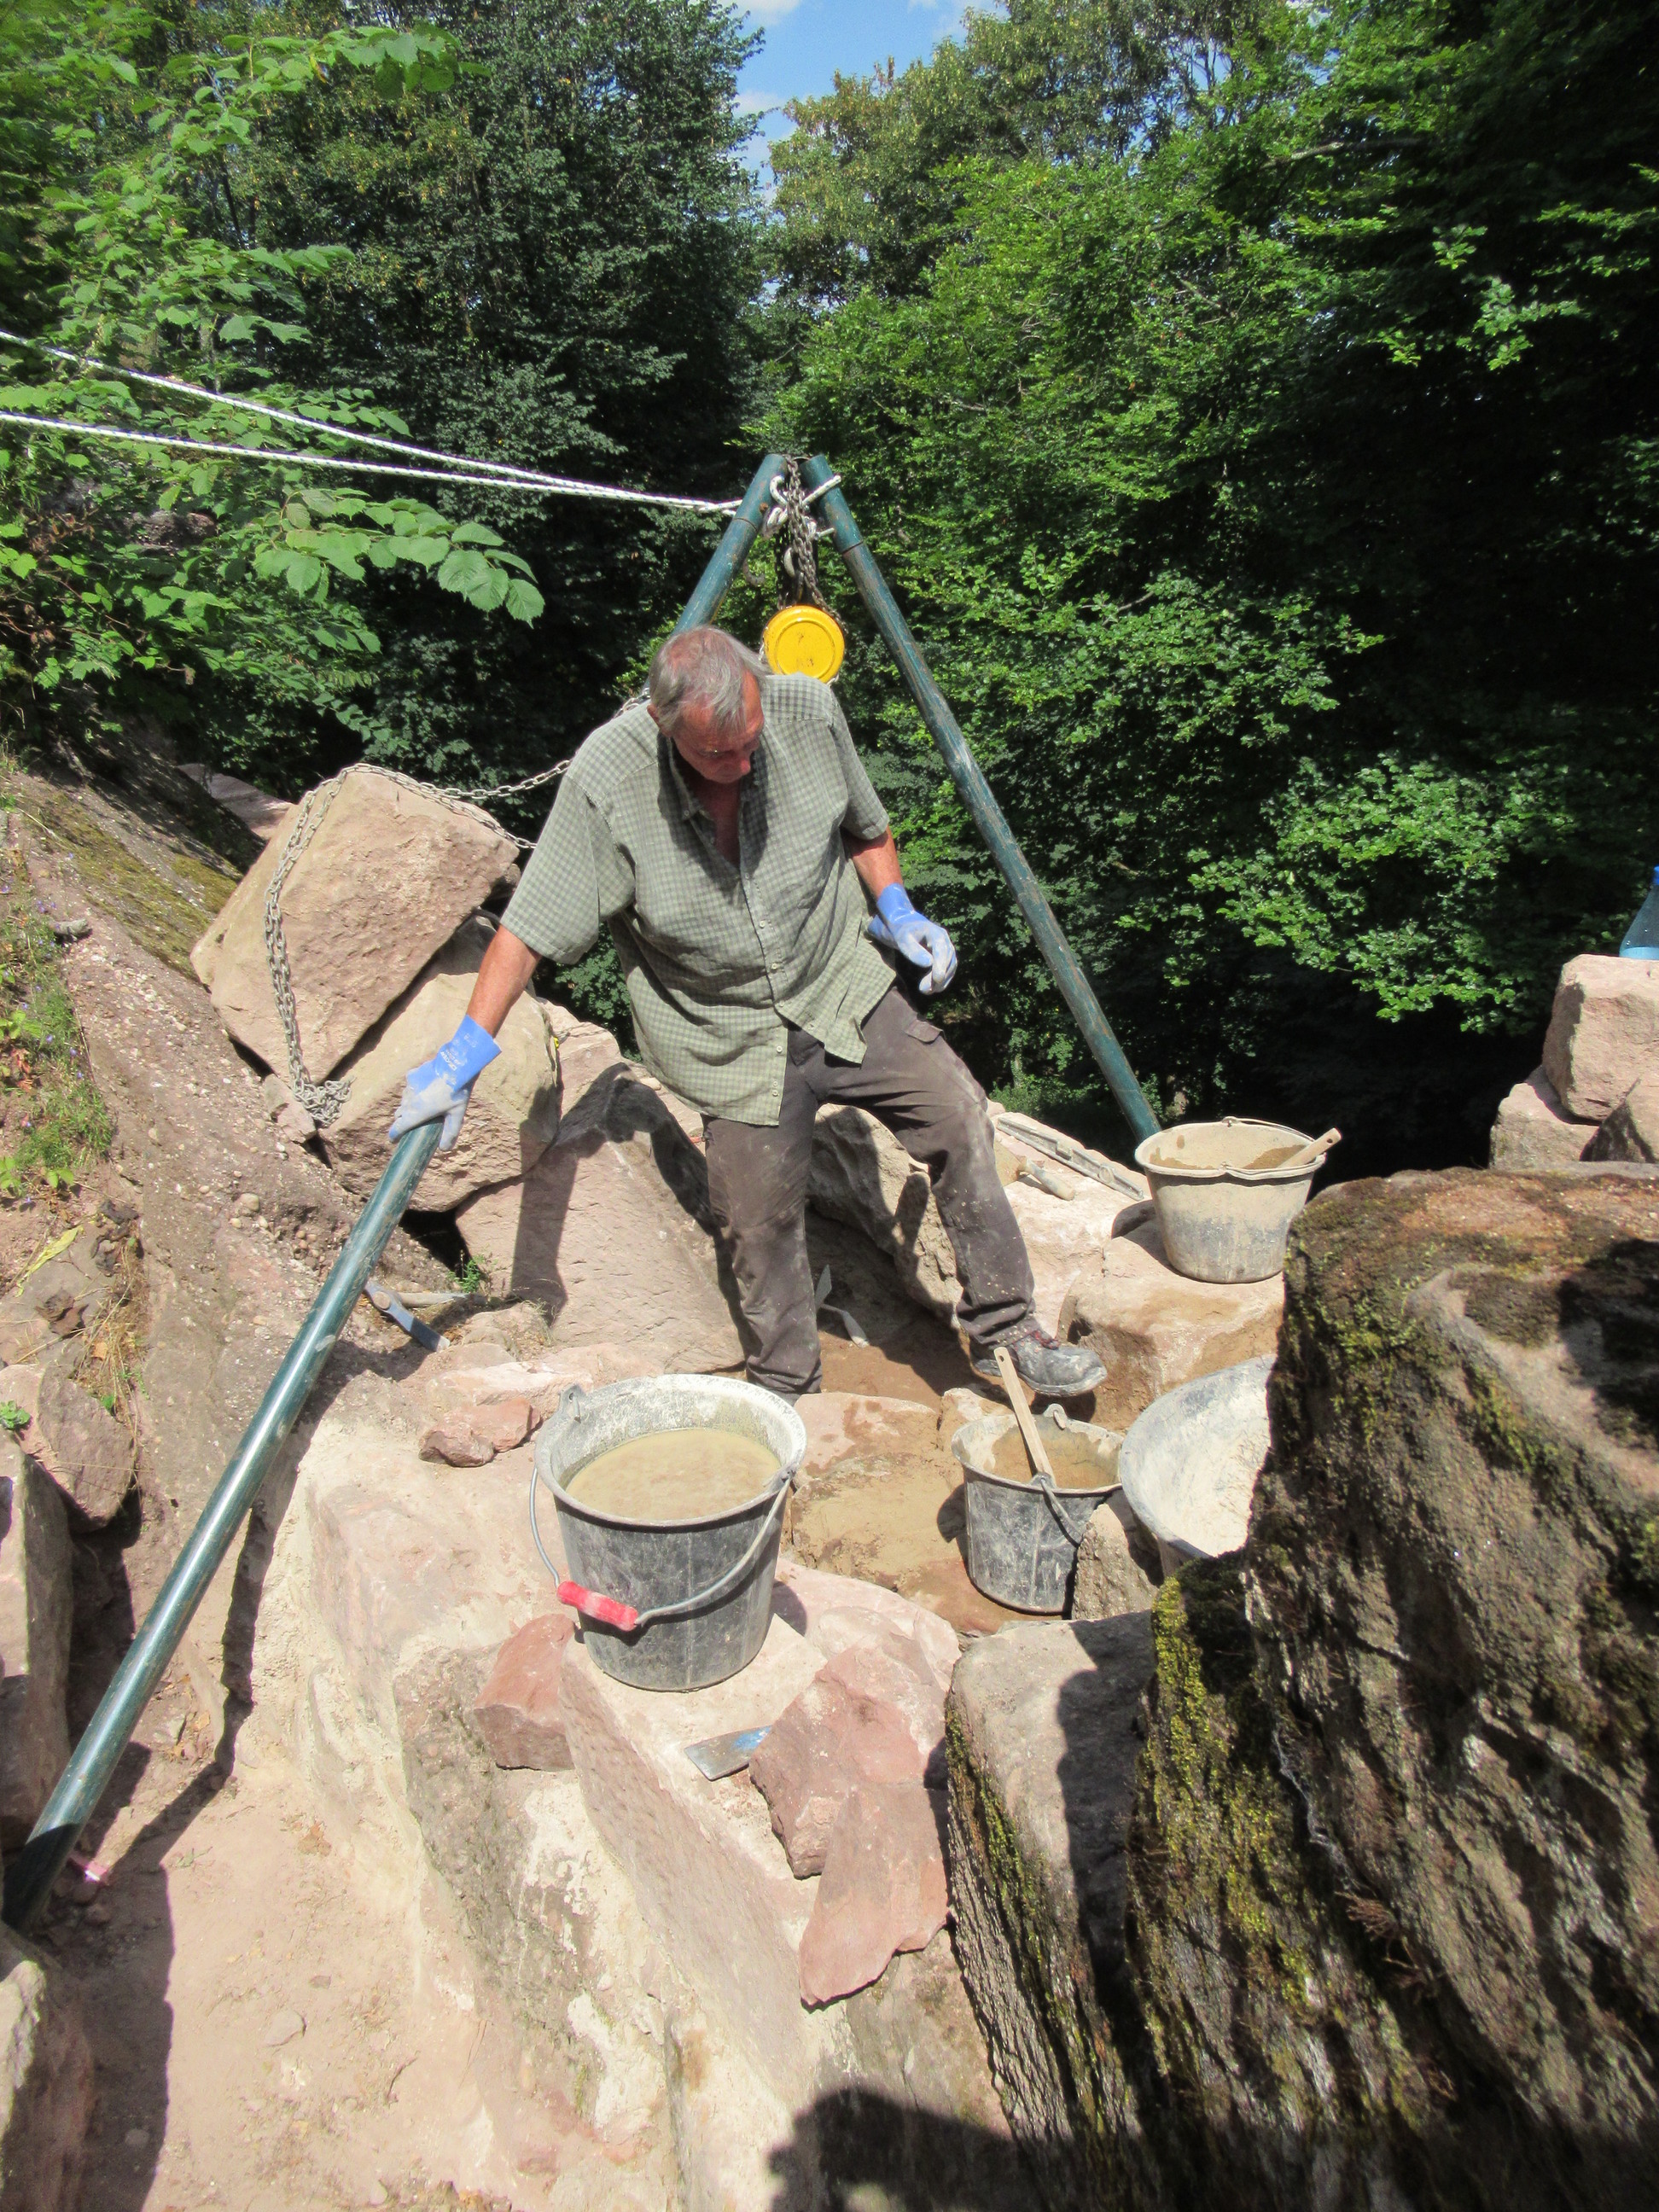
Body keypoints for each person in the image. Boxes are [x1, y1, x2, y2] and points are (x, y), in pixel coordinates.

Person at [388, 626, 1105, 1403]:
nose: (742, 764)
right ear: (664, 726)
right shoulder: (608, 777)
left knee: (960, 1116)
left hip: (839, 984)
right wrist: (463, 1056)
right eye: (717, 753)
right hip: (724, 1035)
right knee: (757, 1225)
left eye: (750, 742)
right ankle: (787, 1390)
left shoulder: (807, 712)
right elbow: (529, 930)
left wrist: (898, 909)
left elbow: (866, 827)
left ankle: (1008, 1331)